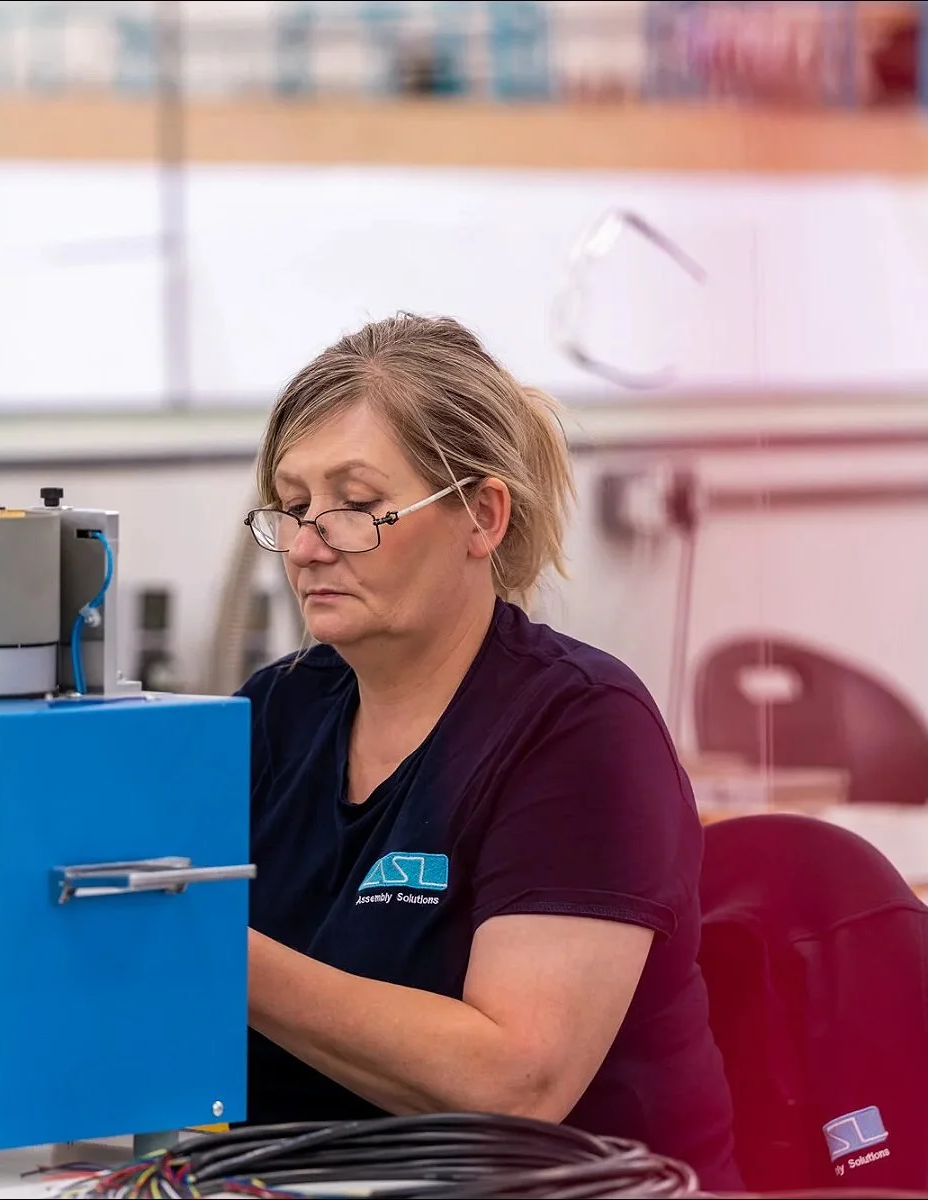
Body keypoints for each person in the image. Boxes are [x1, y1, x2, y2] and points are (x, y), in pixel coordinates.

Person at [235, 313, 741, 1190]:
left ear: (481, 515)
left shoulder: (584, 732)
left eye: (355, 506)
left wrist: (201, 947)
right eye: (293, 506)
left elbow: (515, 1080)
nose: (310, 543)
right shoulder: (275, 713)